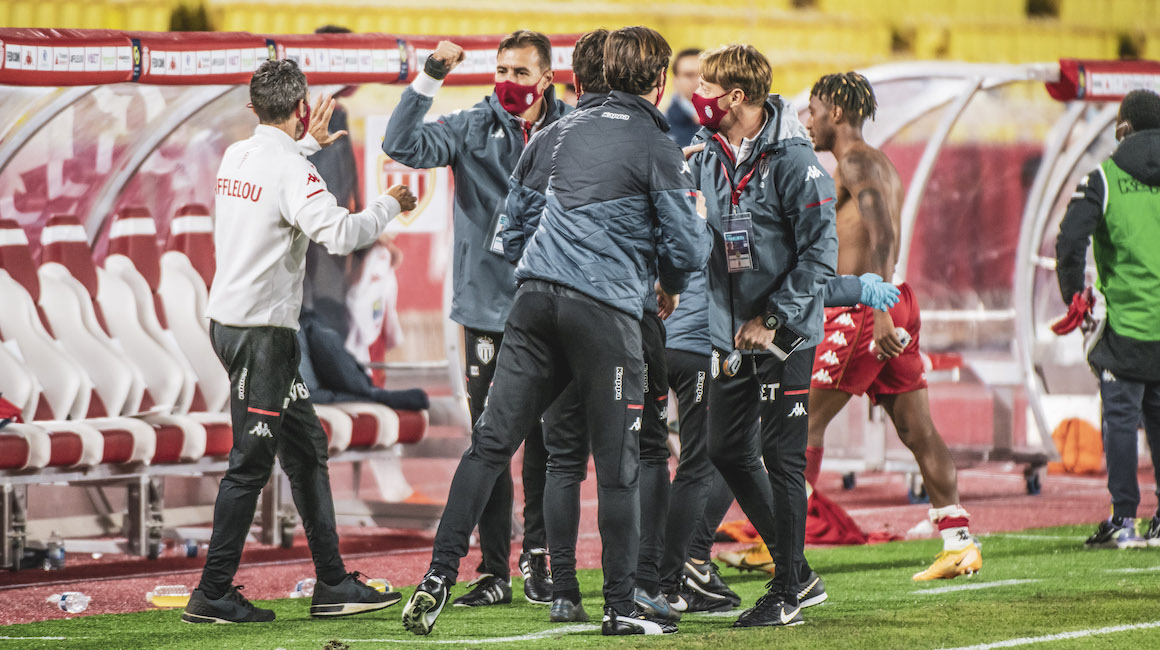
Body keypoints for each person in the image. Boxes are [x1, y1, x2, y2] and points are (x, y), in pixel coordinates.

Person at [401, 25, 712, 637]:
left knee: (491, 445)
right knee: (618, 465)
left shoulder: (549, 134)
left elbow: (510, 233)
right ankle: (622, 606)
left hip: (533, 304)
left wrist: (557, 260)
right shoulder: (655, 142)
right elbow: (686, 247)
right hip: (605, 314)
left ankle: (439, 574)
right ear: (657, 82)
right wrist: (667, 280)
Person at [182, 59, 417, 624]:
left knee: (308, 450)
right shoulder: (291, 169)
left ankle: (332, 583)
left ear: (252, 107)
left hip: (232, 325)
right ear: (303, 108)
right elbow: (341, 235)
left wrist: (305, 147)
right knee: (251, 462)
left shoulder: (238, 155)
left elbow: (277, 177)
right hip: (263, 336)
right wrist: (391, 203)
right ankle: (212, 593)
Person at [382, 30, 570, 607]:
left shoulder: (573, 129)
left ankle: (538, 557)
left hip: (556, 305)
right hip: (487, 311)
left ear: (547, 78)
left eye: (520, 72)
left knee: (546, 442)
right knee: (490, 441)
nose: (508, 82)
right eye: (502, 70)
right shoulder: (471, 125)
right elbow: (400, 143)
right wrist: (431, 74)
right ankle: (494, 571)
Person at [803, 71, 980, 580]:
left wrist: (878, 309)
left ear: (837, 111)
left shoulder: (856, 161)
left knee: (801, 421)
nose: (808, 120)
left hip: (868, 307)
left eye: (813, 110)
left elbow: (880, 235)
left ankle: (780, 544)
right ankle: (959, 542)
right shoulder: (873, 162)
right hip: (893, 299)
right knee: (917, 430)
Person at [686, 43, 837, 628]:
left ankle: (787, 592)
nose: (697, 95)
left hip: (784, 335)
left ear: (736, 97)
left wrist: (772, 318)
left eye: (706, 86)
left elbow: (821, 253)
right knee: (725, 449)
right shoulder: (707, 154)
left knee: (782, 459)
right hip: (730, 334)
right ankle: (799, 573)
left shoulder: (796, 160)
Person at [1054, 88, 1160, 549]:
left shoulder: (1104, 178)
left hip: (1124, 325)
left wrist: (1074, 297)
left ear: (1123, 129)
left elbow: (1069, 242)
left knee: (1120, 419)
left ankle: (1124, 520)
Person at [303, 24, 363, 338]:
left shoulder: (337, 110)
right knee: (322, 308)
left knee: (332, 305)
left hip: (335, 229)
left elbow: (348, 176)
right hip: (318, 230)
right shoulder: (310, 113)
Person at [665, 48, 702, 147]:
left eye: (703, 74)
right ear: (675, 80)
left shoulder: (728, 120)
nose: (698, 80)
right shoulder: (662, 126)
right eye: (689, 75)